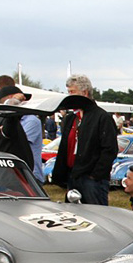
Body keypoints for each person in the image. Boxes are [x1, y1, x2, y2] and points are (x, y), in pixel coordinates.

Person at [53, 74, 118, 205]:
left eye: (72, 92)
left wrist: (95, 175)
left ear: (85, 93)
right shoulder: (71, 119)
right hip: (73, 176)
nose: (69, 96)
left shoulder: (102, 117)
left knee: (96, 216)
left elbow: (109, 149)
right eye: (68, 92)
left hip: (92, 180)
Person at [0, 85, 43, 182]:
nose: (24, 102)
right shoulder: (6, 119)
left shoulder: (1, 119)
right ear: (11, 98)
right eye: (21, 99)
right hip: (16, 176)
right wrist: (14, 102)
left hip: (14, 173)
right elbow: (9, 128)